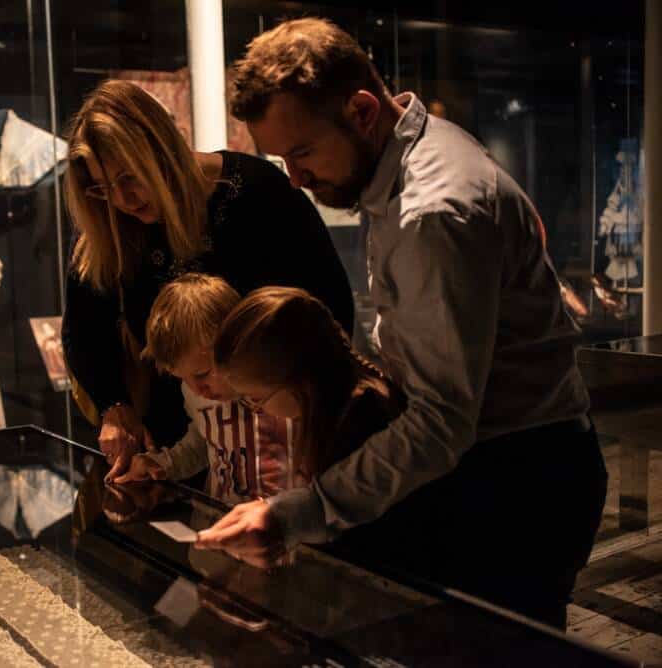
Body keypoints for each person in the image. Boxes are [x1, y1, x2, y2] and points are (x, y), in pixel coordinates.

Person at [195, 17, 607, 629]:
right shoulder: (408, 154)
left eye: (303, 152)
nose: (298, 179)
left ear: (362, 110)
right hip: (502, 464)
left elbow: (440, 422)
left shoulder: (431, 212)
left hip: (519, 477)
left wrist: (298, 513)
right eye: (283, 160)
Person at [61, 79, 354, 481]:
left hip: (281, 435)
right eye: (102, 187)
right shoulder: (108, 222)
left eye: (129, 177)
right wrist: (114, 406)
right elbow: (85, 327)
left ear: (161, 149)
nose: (122, 201)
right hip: (170, 445)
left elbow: (329, 313)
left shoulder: (258, 192)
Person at [112, 273, 299, 501]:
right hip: (220, 520)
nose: (198, 390)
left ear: (235, 342)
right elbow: (204, 441)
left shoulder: (285, 392)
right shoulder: (195, 393)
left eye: (203, 374)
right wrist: (164, 464)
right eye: (183, 378)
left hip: (287, 526)